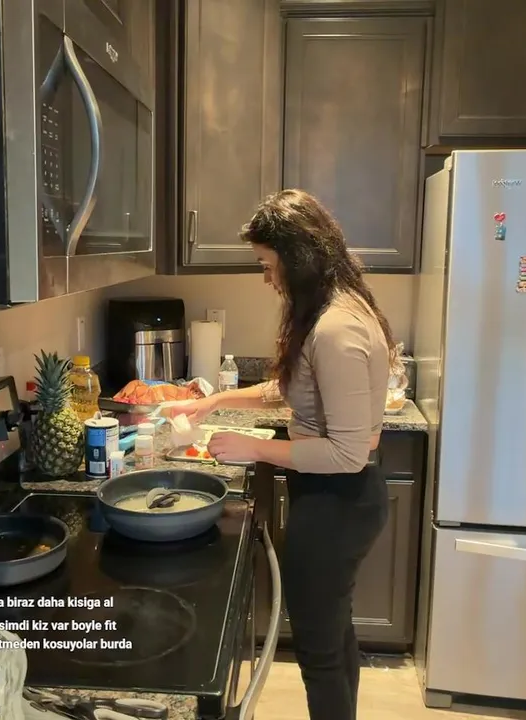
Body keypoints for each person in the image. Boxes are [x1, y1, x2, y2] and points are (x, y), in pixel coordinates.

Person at [162, 189, 393, 720]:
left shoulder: (336, 329)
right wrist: (216, 401)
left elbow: (347, 453)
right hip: (336, 499)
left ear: (298, 256)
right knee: (333, 637)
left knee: (320, 653)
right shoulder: (333, 309)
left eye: (268, 264)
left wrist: (254, 448)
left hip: (339, 501)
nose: (266, 277)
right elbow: (292, 390)